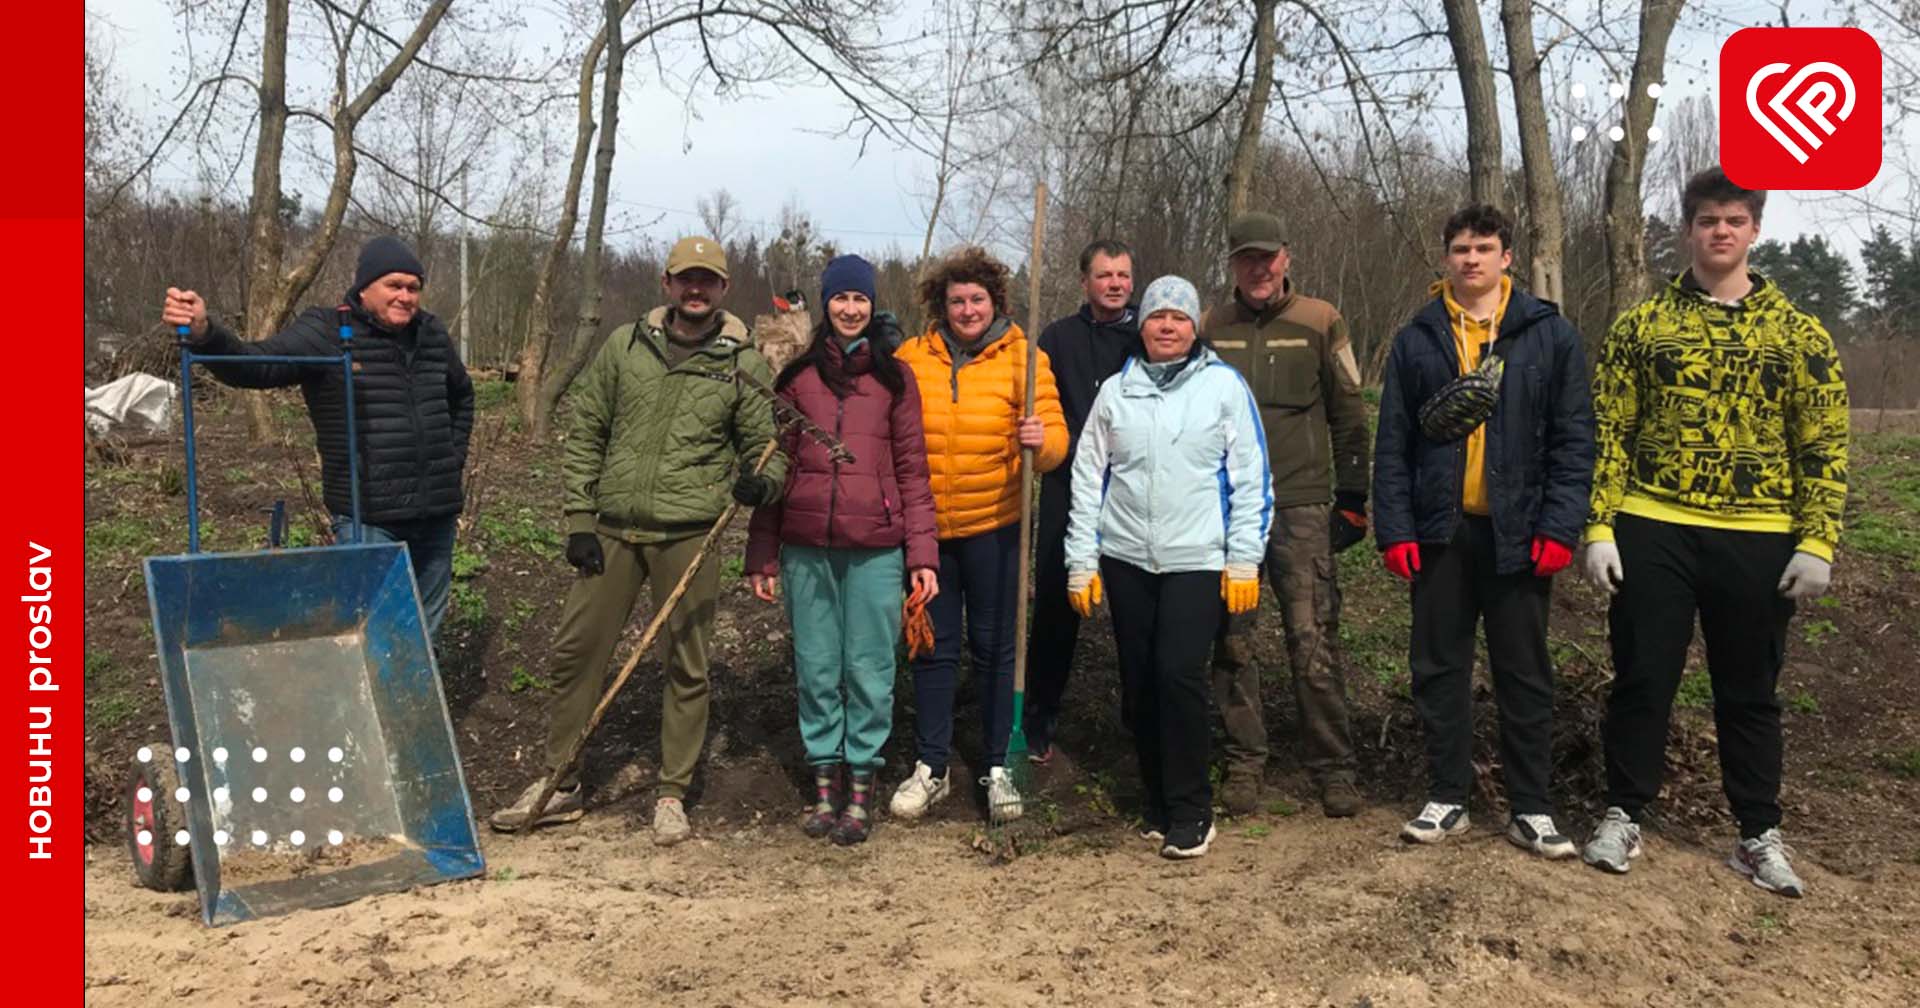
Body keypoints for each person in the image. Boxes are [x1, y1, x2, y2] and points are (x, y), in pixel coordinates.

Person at [1579, 167, 1848, 897]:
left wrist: (1817, 539)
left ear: (1754, 230)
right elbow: (1610, 431)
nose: (1720, 231)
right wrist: (1598, 524)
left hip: (1759, 534)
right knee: (1643, 678)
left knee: (1750, 690)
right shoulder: (1644, 326)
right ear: (1689, 230)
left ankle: (1758, 832)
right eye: (1706, 220)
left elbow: (1822, 442)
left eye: (1733, 220)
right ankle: (1623, 812)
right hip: (1653, 524)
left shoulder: (1799, 335)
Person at [489, 236, 788, 845]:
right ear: (667, 284)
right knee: (576, 653)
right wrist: (579, 520)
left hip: (688, 536)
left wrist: (762, 485)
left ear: (724, 289)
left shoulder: (743, 364)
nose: (696, 290)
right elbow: (588, 431)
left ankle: (672, 792)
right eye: (686, 279)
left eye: (708, 280)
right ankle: (561, 781)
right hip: (613, 532)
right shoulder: (625, 345)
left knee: (687, 664)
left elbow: (769, 449)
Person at [1372, 204, 1594, 857]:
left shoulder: (1548, 336)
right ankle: (1448, 796)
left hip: (1520, 534)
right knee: (1439, 666)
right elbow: (1393, 444)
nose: (1471, 259)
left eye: (1484, 248)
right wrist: (1396, 528)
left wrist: (1560, 525)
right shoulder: (1418, 339)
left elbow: (1574, 439)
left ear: (1507, 258)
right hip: (1441, 531)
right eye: (1460, 248)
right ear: (1445, 259)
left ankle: (1532, 807)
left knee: (1523, 670)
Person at [160, 236, 473, 636]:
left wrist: (452, 457)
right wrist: (206, 333)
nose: (406, 296)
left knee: (426, 621)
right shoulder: (328, 330)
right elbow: (256, 366)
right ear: (365, 286)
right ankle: (366, 696)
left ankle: (412, 693)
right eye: (394, 285)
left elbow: (462, 394)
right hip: (370, 515)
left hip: (436, 512)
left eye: (413, 288)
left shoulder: (431, 333)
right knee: (368, 623)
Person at [1065, 275, 1270, 859]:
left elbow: (1251, 478)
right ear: (1143, 324)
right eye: (1158, 317)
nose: (1168, 327)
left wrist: (1243, 560)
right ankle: (1155, 797)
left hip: (1197, 560)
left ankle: (1191, 808)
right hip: (1128, 558)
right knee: (1140, 681)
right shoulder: (1117, 392)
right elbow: (1088, 479)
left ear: (1194, 327)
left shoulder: (1223, 388)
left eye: (1179, 318)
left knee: (1179, 675)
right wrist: (1082, 561)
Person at [742, 255, 941, 846]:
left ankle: (861, 792)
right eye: (840, 299)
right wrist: (762, 553)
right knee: (819, 669)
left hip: (877, 550)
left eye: (860, 299)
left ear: (872, 304)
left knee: (870, 669)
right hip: (807, 550)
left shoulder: (894, 380)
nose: (850, 309)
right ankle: (825, 786)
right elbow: (772, 466)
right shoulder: (798, 381)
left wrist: (921, 554)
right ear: (825, 306)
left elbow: (912, 469)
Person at [1200, 211, 1372, 817]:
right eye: (1246, 258)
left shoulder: (1320, 321)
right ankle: (1245, 762)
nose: (1258, 268)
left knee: (1313, 637)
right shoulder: (1209, 328)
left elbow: (1349, 413)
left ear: (1286, 258)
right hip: (1227, 512)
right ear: (1232, 265)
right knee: (1232, 640)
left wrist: (1353, 499)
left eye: (1267, 257)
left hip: (1301, 504)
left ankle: (1333, 766)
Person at [890, 245, 1068, 822]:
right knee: (933, 650)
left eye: (977, 299)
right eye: (957, 300)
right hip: (928, 534)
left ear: (996, 302)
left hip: (996, 527)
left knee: (996, 651)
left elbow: (1058, 444)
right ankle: (932, 766)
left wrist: (1042, 442)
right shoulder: (913, 357)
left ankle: (997, 764)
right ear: (941, 305)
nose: (967, 309)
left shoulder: (1024, 357)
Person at [1026, 239, 1140, 763]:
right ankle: (1039, 720)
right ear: (1084, 282)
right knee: (1054, 605)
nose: (1114, 283)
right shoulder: (1056, 339)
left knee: (1135, 609)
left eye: (1122, 274)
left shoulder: (1149, 338)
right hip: (1068, 489)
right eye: (1104, 275)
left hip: (1134, 493)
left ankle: (1139, 721)